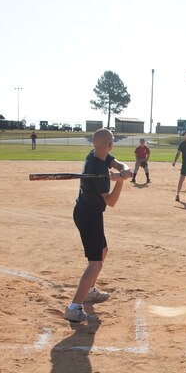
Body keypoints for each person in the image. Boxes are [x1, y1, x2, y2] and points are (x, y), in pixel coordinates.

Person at [63, 128, 133, 324]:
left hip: (89, 212)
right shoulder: (98, 170)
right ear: (109, 145)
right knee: (95, 263)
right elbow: (111, 202)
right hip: (88, 216)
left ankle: (89, 291)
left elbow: (118, 163)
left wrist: (124, 170)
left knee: (103, 250)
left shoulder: (97, 155)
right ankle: (74, 308)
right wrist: (120, 183)